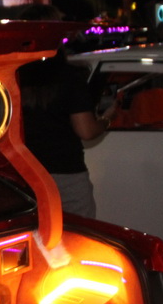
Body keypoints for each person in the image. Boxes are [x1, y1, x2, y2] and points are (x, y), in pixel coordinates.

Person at [19, 49, 113, 218]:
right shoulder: (70, 78)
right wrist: (107, 119)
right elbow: (86, 130)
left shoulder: (17, 78)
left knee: (37, 228)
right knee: (78, 229)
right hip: (67, 172)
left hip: (27, 173)